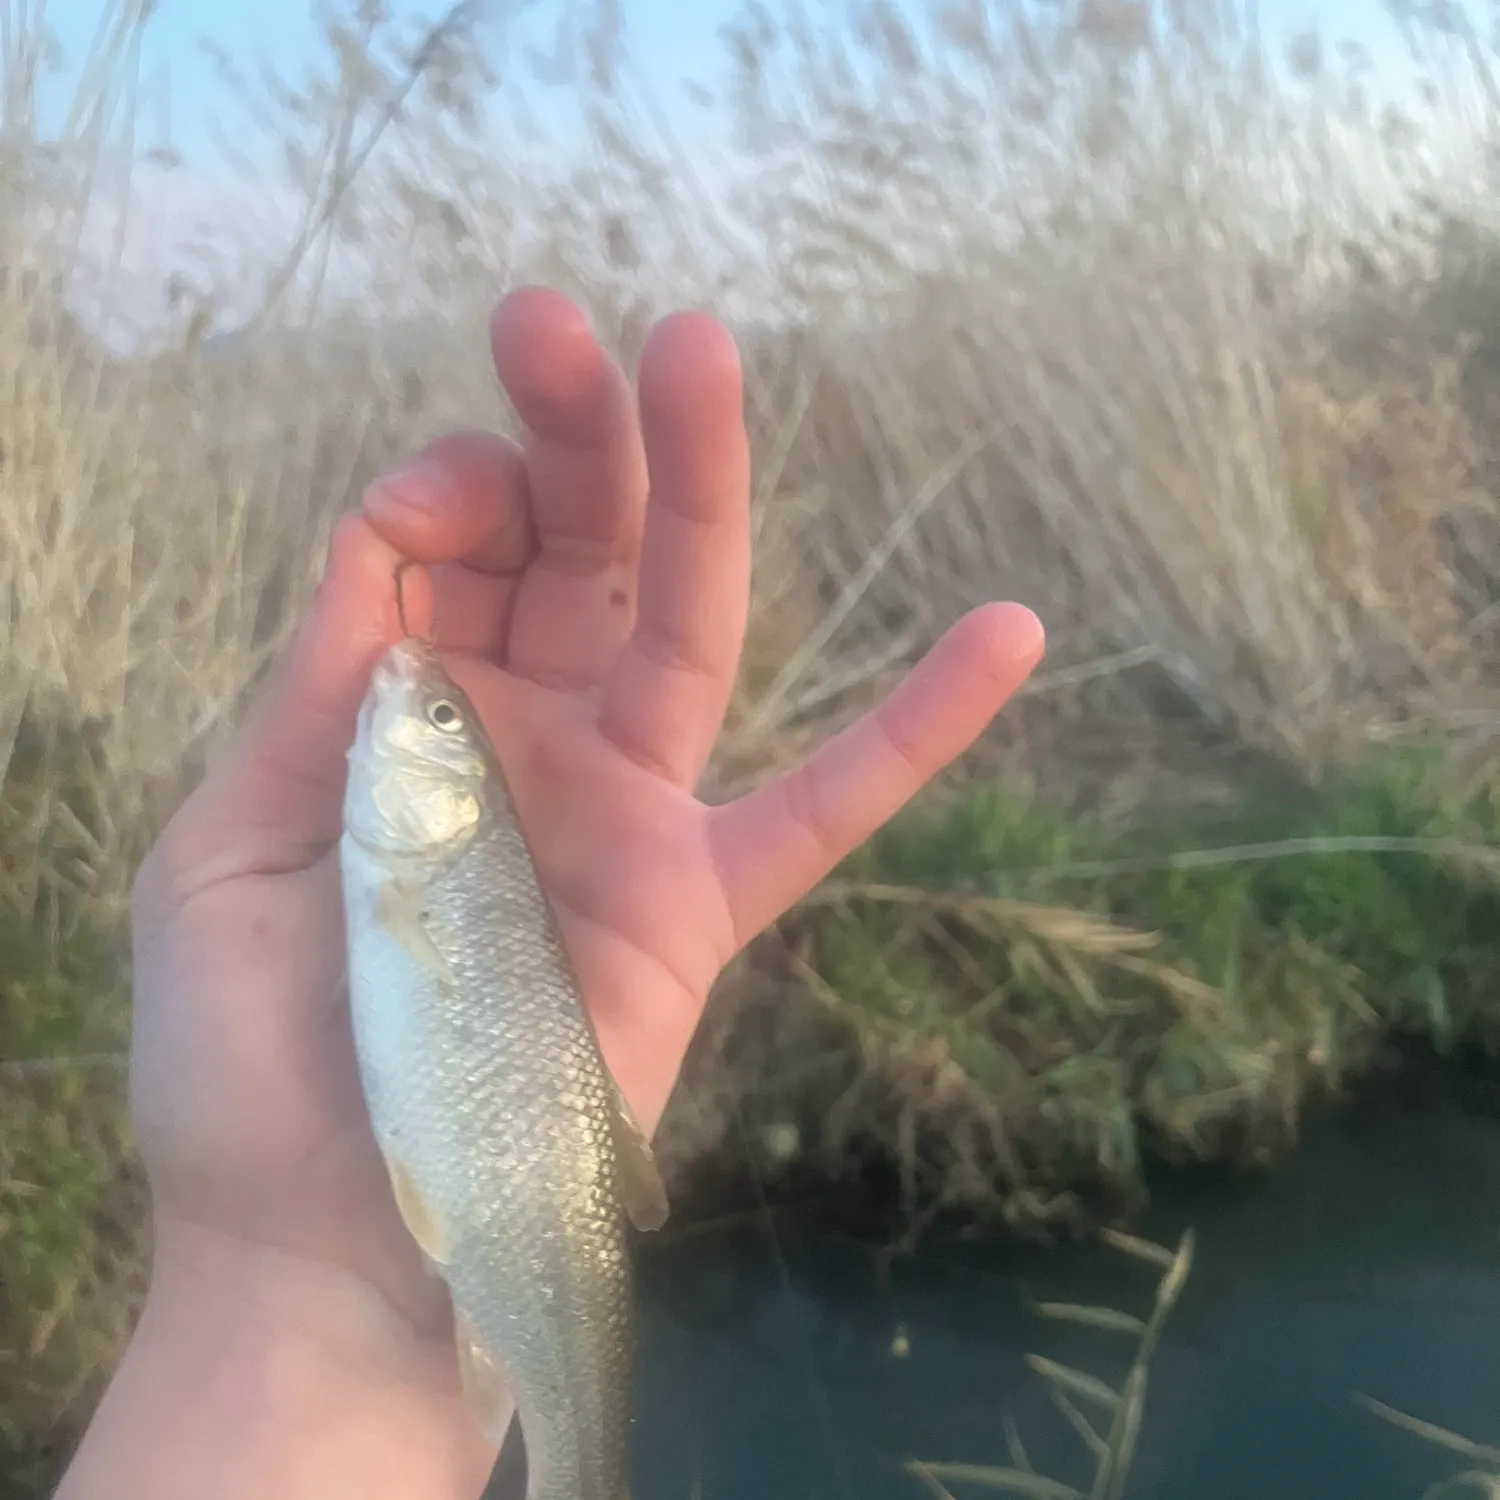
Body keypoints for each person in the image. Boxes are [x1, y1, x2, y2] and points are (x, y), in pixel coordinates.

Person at [54, 288, 1044, 1499]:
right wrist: (278, 1300)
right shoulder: (409, 869)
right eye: (437, 715)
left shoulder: (418, 866)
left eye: (427, 719)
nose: (407, 698)